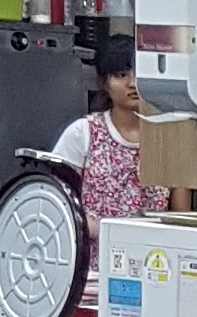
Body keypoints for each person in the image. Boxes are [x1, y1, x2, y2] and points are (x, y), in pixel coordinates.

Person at [50, 36, 165, 221]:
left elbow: (180, 217)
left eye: (140, 73)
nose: (132, 83)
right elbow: (58, 204)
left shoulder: (168, 138)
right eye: (121, 75)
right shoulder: (83, 133)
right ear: (104, 83)